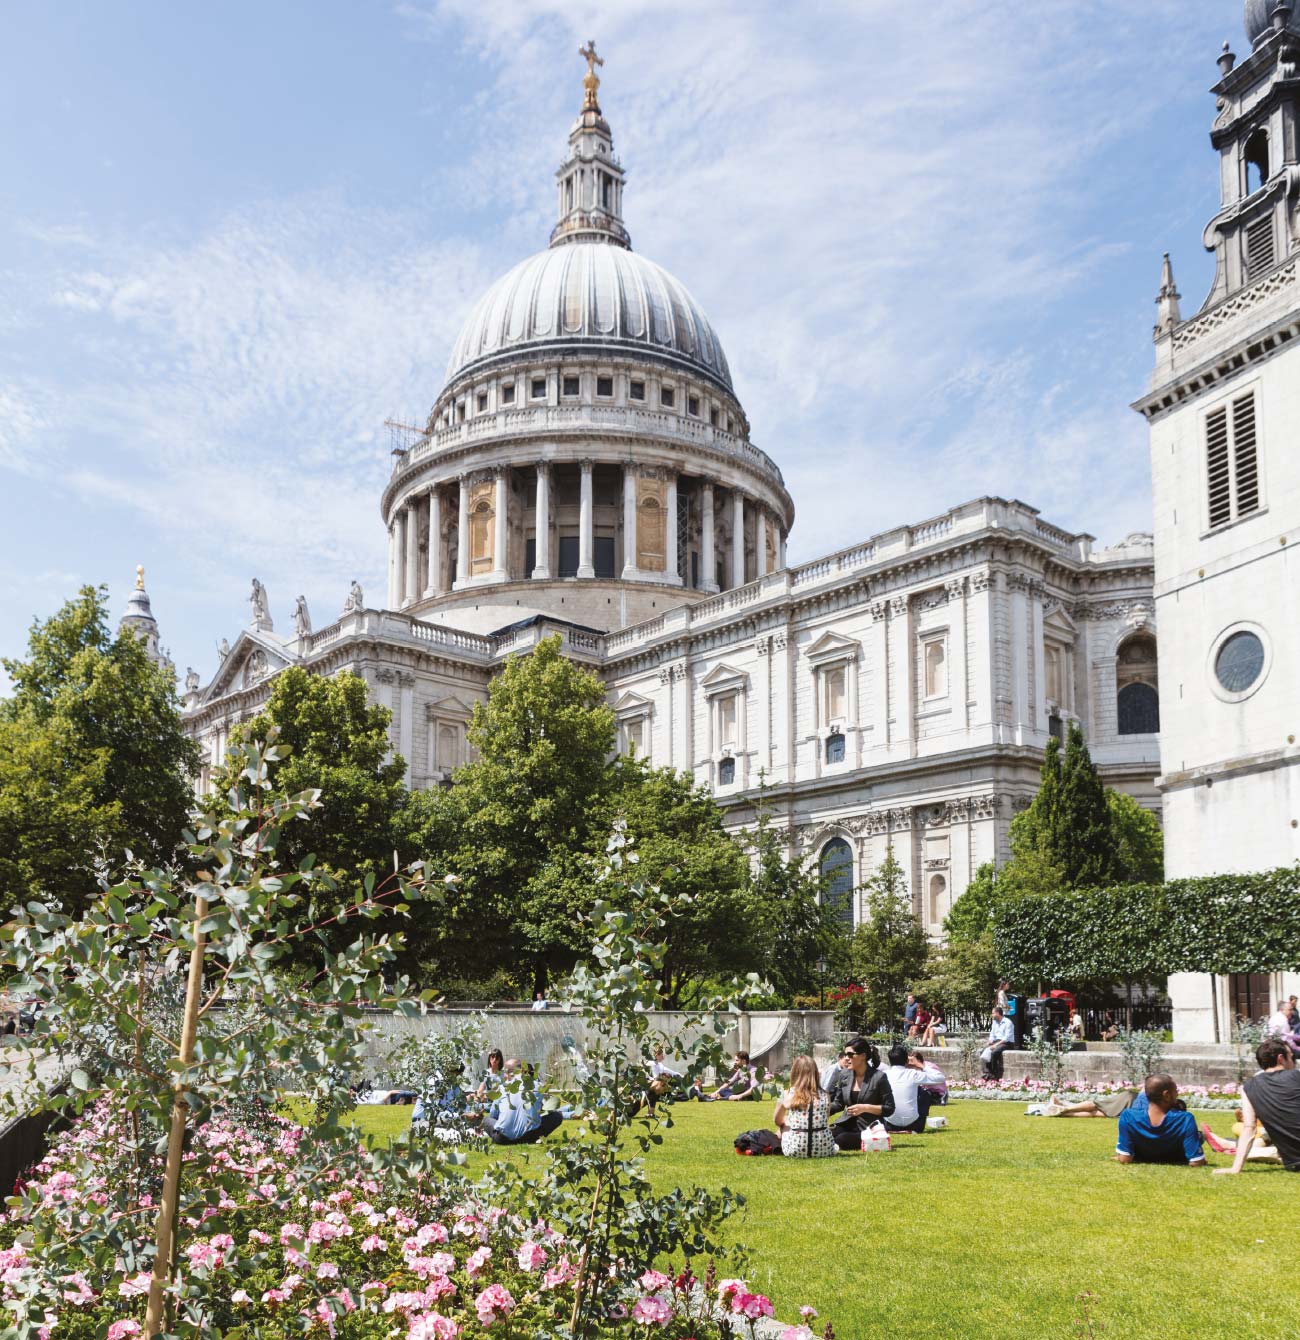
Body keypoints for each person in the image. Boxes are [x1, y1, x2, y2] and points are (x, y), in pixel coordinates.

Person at [1213, 1038, 1300, 1174]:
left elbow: (1249, 1128)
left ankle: (1231, 1146)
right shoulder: (1296, 1076)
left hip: (1294, 1163)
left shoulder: (1248, 1087)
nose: (1293, 1062)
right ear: (1281, 1058)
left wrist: (1235, 1168)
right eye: (1291, 1057)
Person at [1114, 1074, 1205, 1166]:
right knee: (1198, 1136)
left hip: (1142, 1156)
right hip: (1175, 1158)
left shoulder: (1128, 1116)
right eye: (1175, 1091)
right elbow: (1196, 1162)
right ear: (1167, 1095)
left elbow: (1124, 1159)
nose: (1177, 1094)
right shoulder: (1185, 1119)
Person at [827, 1038, 895, 1150]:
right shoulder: (844, 1075)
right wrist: (825, 1108)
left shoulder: (879, 1077)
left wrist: (865, 1108)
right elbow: (839, 1103)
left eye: (850, 1055)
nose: (846, 1058)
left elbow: (889, 1108)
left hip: (868, 1128)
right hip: (846, 1122)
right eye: (845, 1055)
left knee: (841, 1139)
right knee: (827, 1135)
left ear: (863, 1056)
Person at [482, 1058, 563, 1145]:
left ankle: (507, 1130)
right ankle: (532, 1134)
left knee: (486, 1120)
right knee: (557, 1116)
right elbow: (547, 1108)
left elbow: (493, 1115)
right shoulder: (538, 1086)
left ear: (508, 1073)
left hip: (503, 1139)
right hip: (530, 1136)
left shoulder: (502, 1088)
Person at [773, 1055, 837, 1158]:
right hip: (825, 1150)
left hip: (795, 1150)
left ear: (794, 1072)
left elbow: (777, 1121)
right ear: (815, 1073)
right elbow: (825, 1120)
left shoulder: (788, 1093)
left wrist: (787, 1122)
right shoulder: (825, 1095)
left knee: (784, 1124)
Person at [882, 1044, 946, 1134]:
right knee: (925, 1093)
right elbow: (940, 1077)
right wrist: (920, 1065)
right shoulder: (913, 1074)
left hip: (889, 1124)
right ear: (907, 1060)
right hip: (914, 1125)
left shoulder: (884, 1075)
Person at [980, 1007, 1015, 1080]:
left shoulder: (1008, 1022)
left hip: (1007, 1043)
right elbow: (992, 1034)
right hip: (997, 1041)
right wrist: (990, 1041)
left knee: (994, 1052)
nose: (992, 1015)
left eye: (993, 1013)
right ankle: (987, 1073)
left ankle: (994, 1074)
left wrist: (995, 1045)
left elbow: (1006, 1038)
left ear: (998, 1013)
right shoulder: (995, 1022)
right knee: (983, 1051)